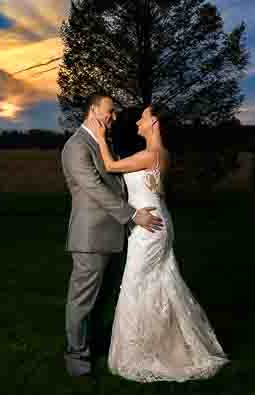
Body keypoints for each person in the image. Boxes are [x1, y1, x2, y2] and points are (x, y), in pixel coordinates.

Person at [86, 103, 230, 383]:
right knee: (160, 281)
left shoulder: (149, 154)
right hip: (157, 220)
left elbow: (109, 166)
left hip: (149, 227)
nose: (138, 120)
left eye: (144, 117)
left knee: (136, 282)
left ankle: (141, 351)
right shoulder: (162, 154)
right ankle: (167, 344)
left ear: (154, 124)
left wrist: (100, 137)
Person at [61, 94, 164, 378]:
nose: (113, 117)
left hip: (114, 234)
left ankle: (96, 346)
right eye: (110, 111)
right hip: (91, 237)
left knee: (104, 297)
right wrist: (133, 215)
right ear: (93, 110)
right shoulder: (76, 146)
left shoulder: (102, 143)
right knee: (82, 301)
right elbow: (95, 189)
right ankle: (77, 359)